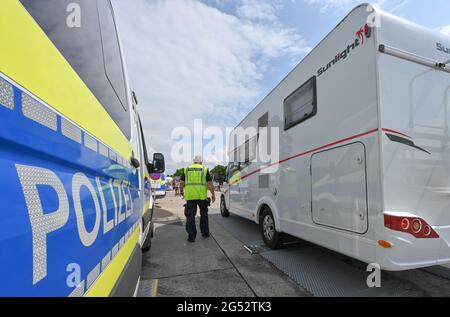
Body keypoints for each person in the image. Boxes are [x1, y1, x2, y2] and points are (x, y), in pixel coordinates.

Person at [180, 155, 216, 243]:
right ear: (201, 161)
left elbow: (181, 182)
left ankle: (191, 236)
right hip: (202, 197)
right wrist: (213, 194)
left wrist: (181, 191)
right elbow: (210, 183)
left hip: (190, 197)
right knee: (204, 215)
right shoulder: (205, 169)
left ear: (194, 161)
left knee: (191, 215)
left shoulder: (187, 169)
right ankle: (205, 233)